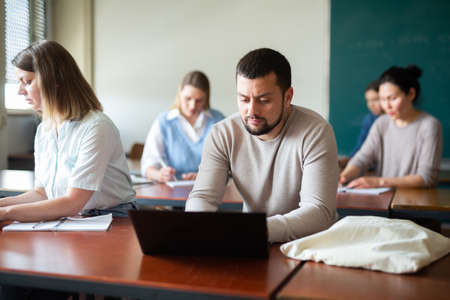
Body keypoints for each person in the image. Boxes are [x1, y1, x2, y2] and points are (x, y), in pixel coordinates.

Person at [185, 48, 338, 243]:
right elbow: (203, 197)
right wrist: (200, 226)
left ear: (288, 97)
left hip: (309, 246)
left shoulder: (315, 132)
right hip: (251, 241)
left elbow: (318, 212)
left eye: (264, 100)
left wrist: (255, 230)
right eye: (244, 99)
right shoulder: (222, 134)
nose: (251, 111)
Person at [0, 40, 136, 223]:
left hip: (111, 220)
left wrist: (7, 213)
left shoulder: (96, 126)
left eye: (27, 82)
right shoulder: (44, 130)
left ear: (55, 81)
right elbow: (42, 193)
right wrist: (4, 205)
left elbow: (73, 202)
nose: (20, 91)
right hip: (68, 217)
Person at [339, 65, 442, 188]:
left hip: (415, 202)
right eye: (382, 99)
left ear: (411, 94)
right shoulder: (382, 123)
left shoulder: (429, 125)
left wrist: (379, 182)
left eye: (392, 98)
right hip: (382, 199)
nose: (387, 106)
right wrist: (343, 176)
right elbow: (363, 158)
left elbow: (426, 178)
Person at [141, 71, 224, 182]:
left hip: (209, 189)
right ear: (180, 92)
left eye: (199, 100)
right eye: (188, 98)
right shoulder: (164, 122)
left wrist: (205, 176)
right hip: (171, 191)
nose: (192, 106)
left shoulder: (218, 121)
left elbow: (228, 166)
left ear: (207, 97)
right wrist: (159, 175)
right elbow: (148, 165)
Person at [338, 80, 383, 169]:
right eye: (368, 100)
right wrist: (349, 160)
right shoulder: (369, 119)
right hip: (366, 167)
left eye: (375, 99)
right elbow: (361, 147)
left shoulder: (394, 122)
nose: (371, 105)